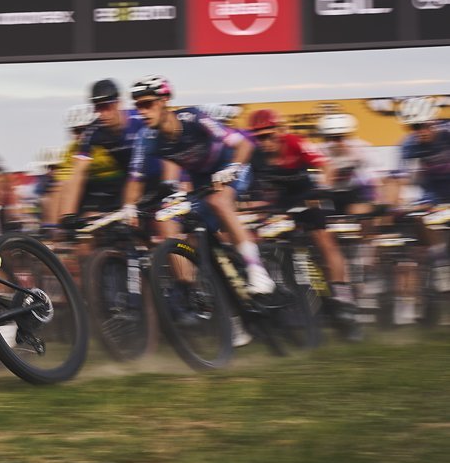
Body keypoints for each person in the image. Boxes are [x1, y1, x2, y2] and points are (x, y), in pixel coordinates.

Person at [123, 75, 276, 295]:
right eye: (138, 106)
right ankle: (217, 294)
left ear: (164, 100)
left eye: (147, 104)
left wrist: (232, 168)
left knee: (218, 200)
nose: (142, 111)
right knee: (193, 230)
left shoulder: (193, 117)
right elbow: (134, 179)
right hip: (202, 179)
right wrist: (129, 205)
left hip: (231, 165)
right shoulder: (146, 138)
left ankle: (258, 272)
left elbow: (243, 145)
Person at [248, 109, 360, 339]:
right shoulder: (255, 156)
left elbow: (326, 166)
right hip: (279, 203)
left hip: (307, 196)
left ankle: (342, 297)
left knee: (323, 238)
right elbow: (253, 188)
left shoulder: (296, 142)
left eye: (269, 136)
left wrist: (323, 186)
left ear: (280, 132)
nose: (265, 142)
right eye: (259, 137)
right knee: (263, 240)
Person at [57, 79, 159, 231]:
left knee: (161, 229)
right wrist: (67, 215)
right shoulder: (94, 131)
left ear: (118, 103)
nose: (103, 113)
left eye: (107, 106)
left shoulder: (139, 120)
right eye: (98, 107)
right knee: (106, 224)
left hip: (157, 177)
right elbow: (78, 173)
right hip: (131, 180)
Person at [383, 99, 450, 324]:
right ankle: (441, 265)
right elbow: (397, 179)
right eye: (413, 127)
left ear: (433, 122)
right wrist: (392, 208)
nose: (418, 132)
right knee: (418, 219)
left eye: (422, 126)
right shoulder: (408, 144)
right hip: (432, 195)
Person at [316, 113, 380, 215]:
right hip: (327, 194)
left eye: (341, 137)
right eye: (332, 138)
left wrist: (372, 201)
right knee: (318, 212)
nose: (337, 142)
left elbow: (373, 178)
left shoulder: (360, 148)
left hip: (353, 192)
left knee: (364, 211)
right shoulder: (318, 150)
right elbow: (317, 184)